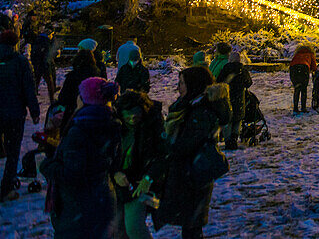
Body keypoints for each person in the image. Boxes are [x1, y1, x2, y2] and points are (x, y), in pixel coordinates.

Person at [155, 67, 231, 239]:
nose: (178, 87)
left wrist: (164, 142)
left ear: (194, 84)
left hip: (194, 174)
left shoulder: (200, 111)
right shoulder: (192, 105)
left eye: (182, 83)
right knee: (190, 226)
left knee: (191, 227)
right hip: (191, 173)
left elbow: (183, 145)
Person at [41, 77, 122, 239]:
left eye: (80, 94)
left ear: (86, 99)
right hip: (102, 201)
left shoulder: (80, 130)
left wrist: (45, 165)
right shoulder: (110, 123)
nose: (77, 97)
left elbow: (71, 175)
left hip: (79, 209)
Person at [113, 89, 165, 239]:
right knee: (118, 230)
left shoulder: (151, 125)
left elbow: (162, 154)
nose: (132, 117)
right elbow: (105, 155)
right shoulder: (115, 126)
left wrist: (148, 178)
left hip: (138, 184)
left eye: (136, 113)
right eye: (127, 113)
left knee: (134, 227)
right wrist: (115, 172)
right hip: (118, 184)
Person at [0, 29, 39, 200]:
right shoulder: (20, 62)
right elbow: (29, 88)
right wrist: (35, 111)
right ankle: (7, 187)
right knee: (13, 151)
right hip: (14, 113)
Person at [58, 43, 104, 130]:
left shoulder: (73, 76)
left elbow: (64, 96)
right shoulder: (97, 75)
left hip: (74, 112)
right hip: (93, 114)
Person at [216, 51, 252, 149]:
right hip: (240, 97)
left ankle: (228, 141)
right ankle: (234, 139)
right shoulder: (243, 70)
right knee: (238, 118)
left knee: (228, 119)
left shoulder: (226, 69)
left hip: (227, 97)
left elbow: (219, 82)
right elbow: (249, 83)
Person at [31, 26, 61, 103]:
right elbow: (48, 55)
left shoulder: (37, 40)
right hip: (44, 64)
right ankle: (52, 99)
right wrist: (55, 54)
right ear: (48, 35)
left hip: (37, 63)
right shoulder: (46, 42)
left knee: (37, 80)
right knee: (49, 82)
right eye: (51, 35)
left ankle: (34, 95)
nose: (52, 36)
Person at [288, 45, 316, 113]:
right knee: (303, 89)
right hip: (304, 68)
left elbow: (292, 63)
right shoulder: (311, 54)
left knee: (297, 88)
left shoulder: (297, 54)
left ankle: (295, 108)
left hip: (293, 69)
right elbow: (314, 67)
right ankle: (303, 108)